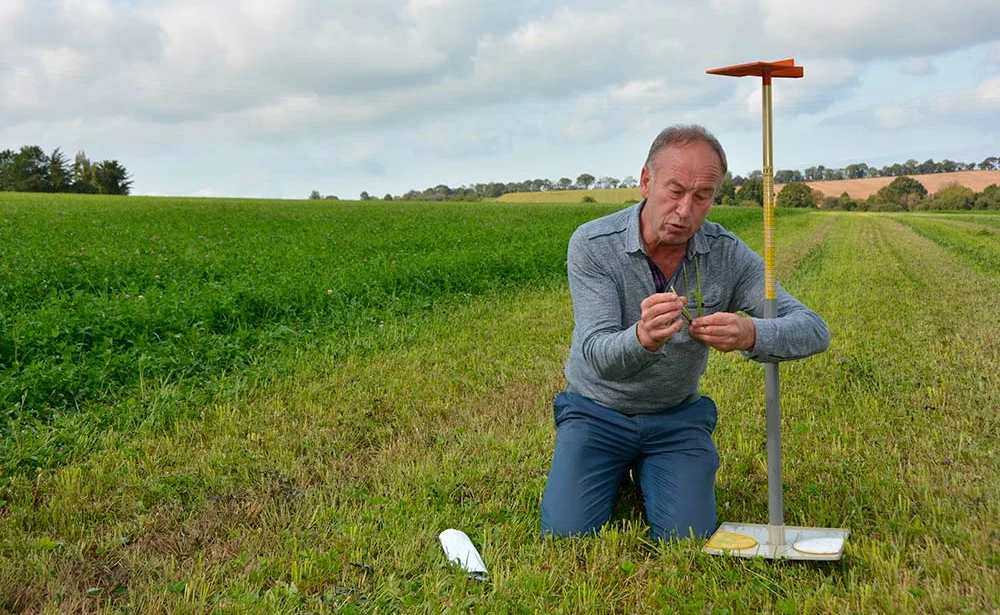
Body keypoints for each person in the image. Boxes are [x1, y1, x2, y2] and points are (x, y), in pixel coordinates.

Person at [540, 125, 830, 542]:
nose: (685, 212)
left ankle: (657, 468)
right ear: (645, 181)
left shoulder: (726, 252)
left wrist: (752, 332)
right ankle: (613, 468)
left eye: (702, 197)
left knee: (687, 536)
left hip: (675, 417)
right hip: (596, 411)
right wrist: (641, 337)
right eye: (675, 191)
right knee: (566, 534)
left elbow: (814, 329)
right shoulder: (592, 244)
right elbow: (595, 353)